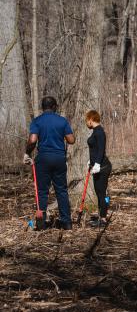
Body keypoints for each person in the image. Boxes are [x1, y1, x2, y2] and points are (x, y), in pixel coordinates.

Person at [24, 96, 75, 230]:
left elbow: (33, 140)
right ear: (54, 106)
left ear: (43, 107)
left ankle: (41, 224)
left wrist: (27, 153)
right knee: (62, 191)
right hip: (59, 158)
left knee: (42, 191)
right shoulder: (62, 121)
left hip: (43, 159)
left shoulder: (37, 121)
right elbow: (71, 140)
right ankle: (66, 223)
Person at [86, 110, 112, 227]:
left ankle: (103, 219)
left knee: (102, 194)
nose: (86, 123)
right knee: (100, 193)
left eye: (87, 120)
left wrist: (96, 164)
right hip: (98, 166)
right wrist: (90, 162)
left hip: (103, 167)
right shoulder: (96, 131)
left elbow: (101, 149)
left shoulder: (100, 132)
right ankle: (102, 215)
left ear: (91, 119)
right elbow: (95, 149)